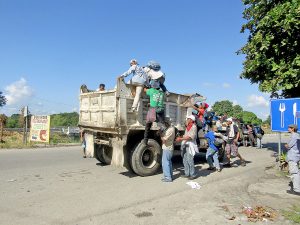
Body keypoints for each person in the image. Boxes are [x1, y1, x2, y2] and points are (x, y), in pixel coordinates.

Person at [142, 80, 165, 146]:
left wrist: (145, 87)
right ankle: (157, 134)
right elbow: (157, 100)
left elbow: (145, 90)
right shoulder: (161, 92)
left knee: (148, 125)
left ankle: (145, 140)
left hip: (153, 110)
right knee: (162, 126)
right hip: (161, 110)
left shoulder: (151, 90)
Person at [176, 115, 198, 179]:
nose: (187, 120)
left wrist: (180, 139)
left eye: (188, 119)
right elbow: (186, 135)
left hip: (190, 145)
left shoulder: (194, 127)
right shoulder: (188, 126)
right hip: (185, 144)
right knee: (184, 159)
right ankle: (187, 173)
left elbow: (190, 137)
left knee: (190, 160)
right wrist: (181, 138)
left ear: (191, 120)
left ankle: (192, 174)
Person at [284, 124, 300, 196]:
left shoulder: (294, 136)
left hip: (293, 156)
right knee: (296, 172)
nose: (288, 129)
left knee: (294, 173)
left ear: (293, 128)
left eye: (289, 127)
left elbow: (288, 146)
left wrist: (286, 145)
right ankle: (297, 188)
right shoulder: (297, 135)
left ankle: (297, 190)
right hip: (296, 156)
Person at [160, 117, 176, 182]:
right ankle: (170, 176)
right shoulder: (171, 128)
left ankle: (168, 178)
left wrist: (161, 135)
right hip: (169, 148)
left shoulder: (170, 130)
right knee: (168, 162)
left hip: (167, 148)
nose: (164, 124)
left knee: (165, 163)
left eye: (165, 123)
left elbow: (164, 140)